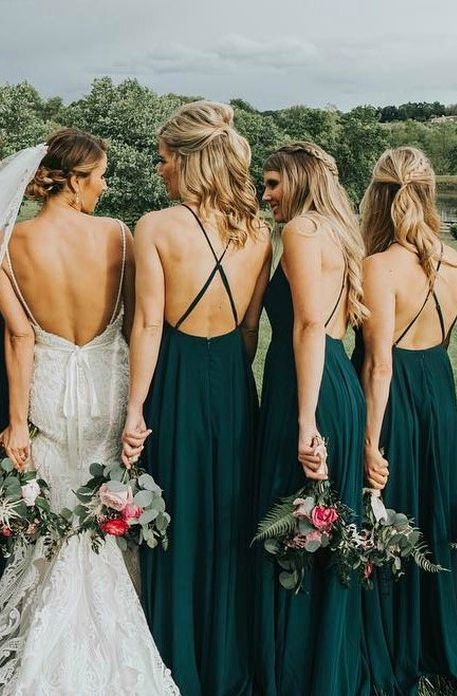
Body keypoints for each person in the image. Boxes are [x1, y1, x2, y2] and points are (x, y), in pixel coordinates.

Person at [0, 130, 179, 695]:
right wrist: (135, 403)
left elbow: (19, 336)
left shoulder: (12, 242)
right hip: (107, 385)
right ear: (76, 180)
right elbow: (135, 324)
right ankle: (115, 629)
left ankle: (46, 642)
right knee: (104, 504)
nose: (104, 187)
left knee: (53, 505)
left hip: (49, 387)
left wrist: (17, 420)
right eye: (99, 176)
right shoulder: (119, 237)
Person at [122, 100, 271, 696]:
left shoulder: (156, 227)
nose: (159, 171)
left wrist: (135, 410)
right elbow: (250, 329)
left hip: (176, 379)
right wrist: (230, 379)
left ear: (188, 160)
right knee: (227, 514)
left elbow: (149, 326)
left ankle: (173, 652)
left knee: (177, 512)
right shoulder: (259, 230)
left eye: (163, 160)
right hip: (232, 382)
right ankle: (228, 657)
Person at [255, 142, 370, 695]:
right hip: (337, 385)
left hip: (310, 389)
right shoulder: (339, 231)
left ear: (299, 182)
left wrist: (305, 422)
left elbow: (309, 326)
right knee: (317, 528)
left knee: (297, 524)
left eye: (274, 183)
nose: (266, 194)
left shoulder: (302, 232)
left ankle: (298, 671)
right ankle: (325, 663)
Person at [353, 146, 457, 695]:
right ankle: (439, 640)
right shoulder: (454, 260)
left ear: (380, 195)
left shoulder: (378, 265)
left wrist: (370, 442)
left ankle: (397, 639)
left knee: (389, 511)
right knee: (431, 512)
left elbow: (379, 364)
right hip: (440, 392)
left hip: (396, 397)